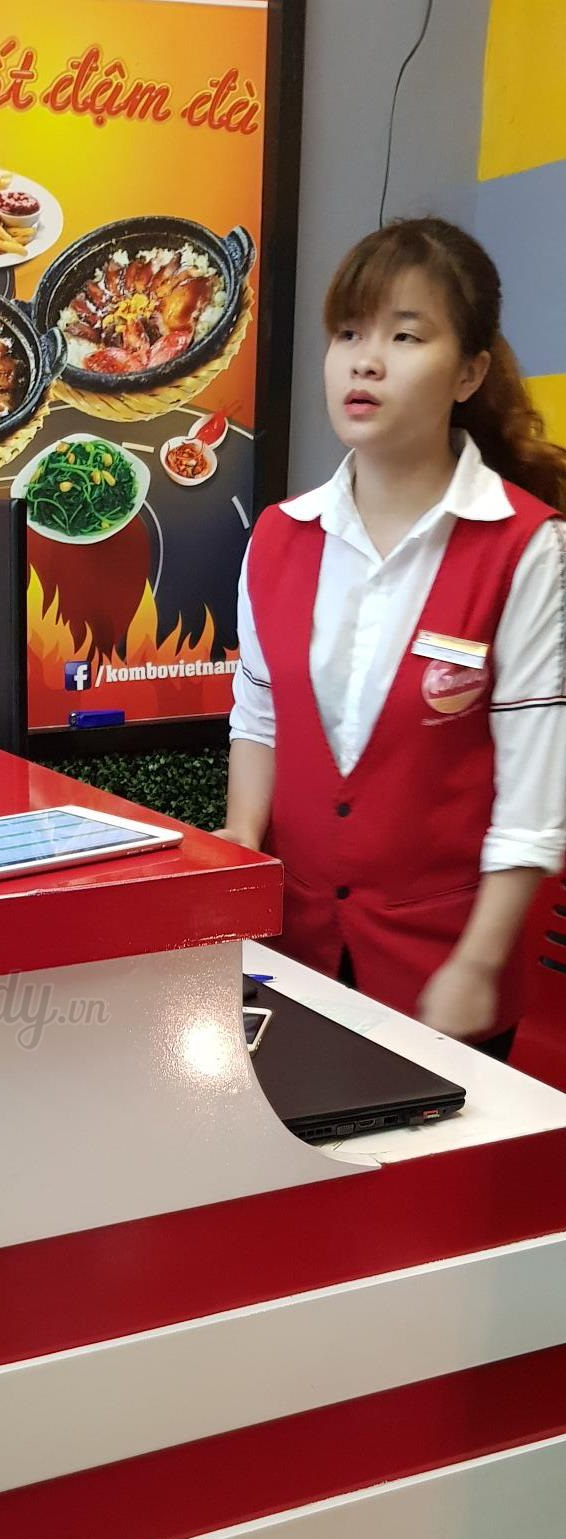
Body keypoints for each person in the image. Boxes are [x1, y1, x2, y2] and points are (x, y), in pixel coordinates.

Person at [219, 218, 566, 1055]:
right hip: (292, 953)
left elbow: (534, 791)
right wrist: (239, 842)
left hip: (446, 967)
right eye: (349, 333)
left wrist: (478, 961)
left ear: (469, 372)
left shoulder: (526, 548)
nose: (365, 362)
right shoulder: (279, 536)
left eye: (405, 336)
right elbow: (260, 718)